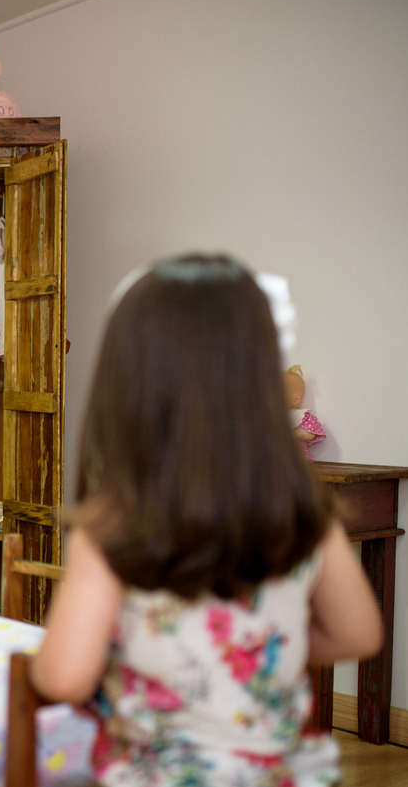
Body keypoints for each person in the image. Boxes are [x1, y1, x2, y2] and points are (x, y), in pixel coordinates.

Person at [30, 254, 382, 787]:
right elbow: (359, 632)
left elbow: (63, 677)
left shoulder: (114, 524)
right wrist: (255, 653)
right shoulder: (304, 513)